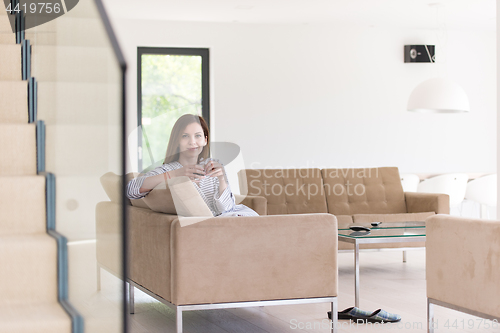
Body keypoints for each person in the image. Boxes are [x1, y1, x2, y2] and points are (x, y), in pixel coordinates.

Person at [127, 114, 258, 217]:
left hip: (233, 218)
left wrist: (222, 180)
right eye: (185, 136)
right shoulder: (168, 170)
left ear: (205, 140)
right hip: (210, 227)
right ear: (177, 141)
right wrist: (176, 174)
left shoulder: (213, 165)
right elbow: (131, 190)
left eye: (198, 136)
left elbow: (227, 208)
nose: (192, 142)